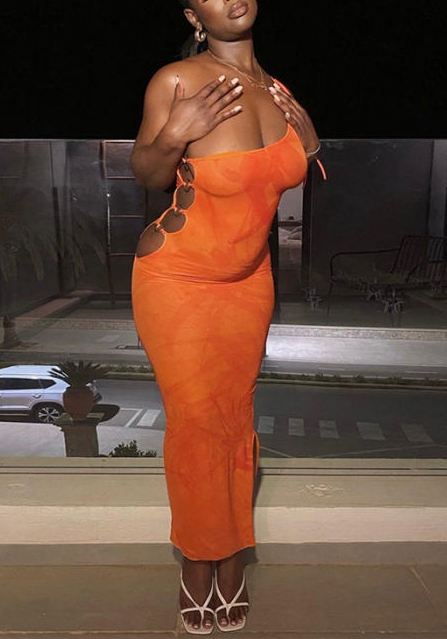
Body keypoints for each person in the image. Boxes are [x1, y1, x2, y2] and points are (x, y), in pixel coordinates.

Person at [131, 0, 320, 633]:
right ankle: (198, 559)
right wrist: (173, 133)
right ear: (194, 15)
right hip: (177, 278)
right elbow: (149, 174)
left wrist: (310, 146)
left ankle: (233, 553)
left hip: (250, 281)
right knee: (194, 424)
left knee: (236, 419)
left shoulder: (278, 90)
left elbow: (273, 182)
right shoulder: (176, 80)